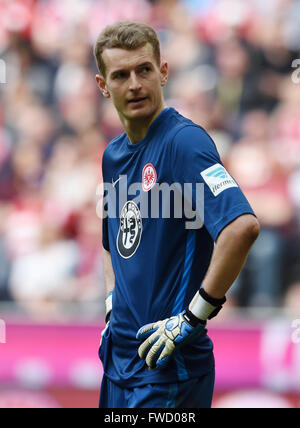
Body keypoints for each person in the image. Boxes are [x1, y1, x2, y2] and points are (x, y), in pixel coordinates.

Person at [94, 21, 260, 409]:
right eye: (120, 75)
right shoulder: (112, 156)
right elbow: (111, 243)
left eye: (144, 70)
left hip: (169, 370)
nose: (134, 84)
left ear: (163, 72)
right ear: (103, 86)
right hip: (119, 366)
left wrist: (192, 317)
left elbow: (241, 227)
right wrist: (110, 307)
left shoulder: (184, 142)